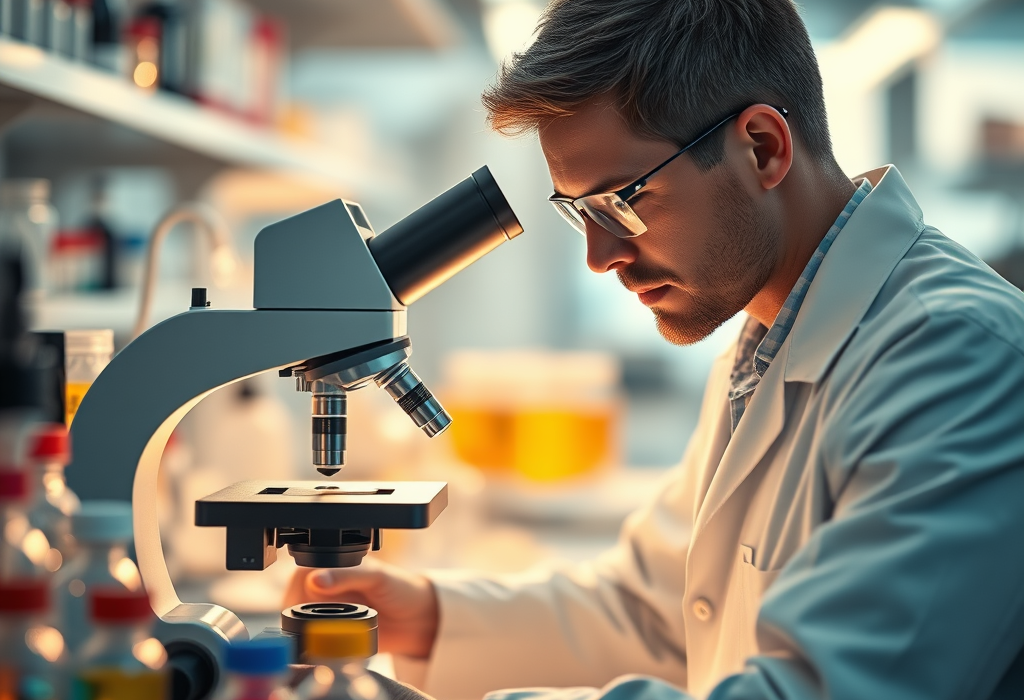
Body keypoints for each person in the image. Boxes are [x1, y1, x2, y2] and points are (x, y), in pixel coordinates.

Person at [286, 1, 1024, 698]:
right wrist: (428, 617)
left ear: (761, 148)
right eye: (579, 212)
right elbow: (660, 610)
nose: (599, 257)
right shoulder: (771, 336)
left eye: (620, 202)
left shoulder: (958, 357)